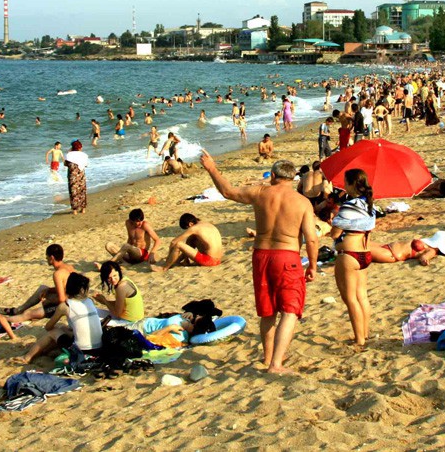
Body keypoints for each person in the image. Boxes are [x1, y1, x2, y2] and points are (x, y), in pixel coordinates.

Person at [199, 150, 317, 374]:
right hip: (287, 257)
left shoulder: (260, 193)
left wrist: (212, 168)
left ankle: (267, 358)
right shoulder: (302, 203)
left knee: (268, 311)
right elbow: (311, 238)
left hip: (261, 255)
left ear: (273, 176)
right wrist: (312, 265)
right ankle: (276, 365)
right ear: (293, 179)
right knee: (290, 311)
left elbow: (227, 191)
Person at [14, 273, 103, 365]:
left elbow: (48, 327)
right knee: (64, 328)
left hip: (81, 351)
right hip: (98, 348)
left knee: (53, 332)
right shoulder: (89, 301)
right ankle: (45, 351)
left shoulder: (65, 306)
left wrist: (56, 327)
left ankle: (27, 358)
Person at [330, 169, 375, 349]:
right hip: (365, 252)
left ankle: (359, 340)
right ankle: (364, 333)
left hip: (349, 254)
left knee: (350, 299)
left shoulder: (349, 206)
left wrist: (333, 220)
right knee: (362, 296)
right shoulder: (369, 204)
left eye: (345, 182)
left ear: (350, 184)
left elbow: (335, 233)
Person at [2, 244, 75, 321]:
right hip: (71, 299)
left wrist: (49, 302)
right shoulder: (69, 267)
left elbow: (62, 300)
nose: (46, 259)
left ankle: (3, 319)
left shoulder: (58, 274)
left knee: (28, 313)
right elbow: (66, 288)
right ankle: (19, 310)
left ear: (52, 258)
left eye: (47, 257)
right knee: (43, 288)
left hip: (66, 305)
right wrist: (48, 290)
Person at [151, 213, 224, 271]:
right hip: (218, 259)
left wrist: (168, 257)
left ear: (190, 224)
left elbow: (173, 242)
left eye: (187, 228)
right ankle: (184, 261)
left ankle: (165, 268)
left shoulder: (194, 228)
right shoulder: (205, 224)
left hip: (209, 260)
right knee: (192, 238)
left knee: (178, 244)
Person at [65, 140, 89, 214]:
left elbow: (65, 164)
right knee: (82, 191)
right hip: (81, 175)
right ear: (80, 147)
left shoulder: (69, 155)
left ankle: (75, 210)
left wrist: (69, 151)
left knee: (73, 192)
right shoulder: (84, 155)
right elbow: (86, 165)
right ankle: (83, 209)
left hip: (72, 176)